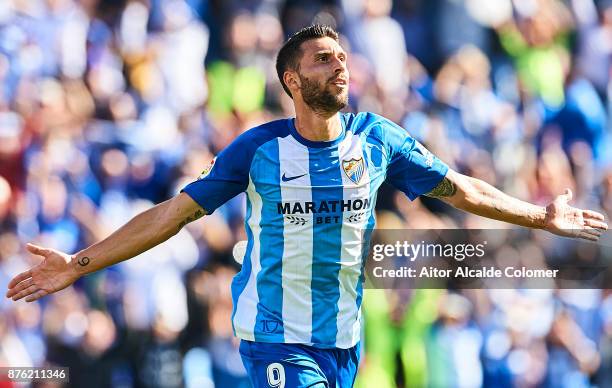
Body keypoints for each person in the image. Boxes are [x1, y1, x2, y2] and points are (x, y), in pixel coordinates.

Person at [5, 25, 608, 388]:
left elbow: (461, 188)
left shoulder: (379, 141)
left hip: (343, 340)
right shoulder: (259, 150)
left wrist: (538, 216)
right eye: (323, 58)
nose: (339, 63)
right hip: (274, 335)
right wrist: (79, 264)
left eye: (342, 56)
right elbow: (172, 213)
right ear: (292, 81)